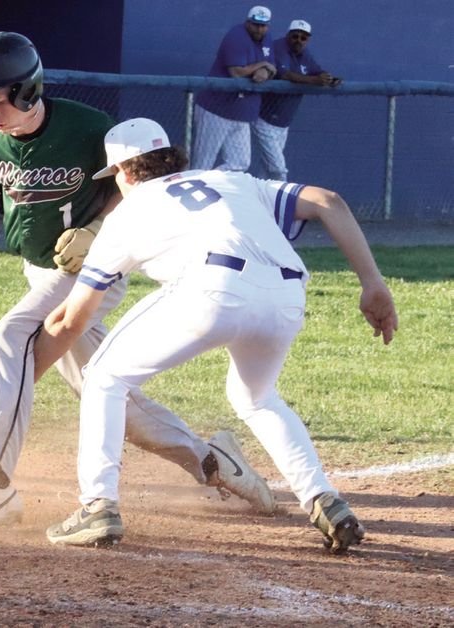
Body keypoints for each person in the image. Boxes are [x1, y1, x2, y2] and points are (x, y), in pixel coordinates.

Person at [0, 32, 273, 530]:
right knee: (107, 392)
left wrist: (96, 229)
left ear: (28, 90)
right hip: (40, 270)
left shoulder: (88, 128)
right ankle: (212, 460)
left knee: (13, 334)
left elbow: (140, 184)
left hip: (92, 270)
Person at [39, 118, 396, 553]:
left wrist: (16, 380)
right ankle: (324, 500)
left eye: (115, 176)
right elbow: (328, 201)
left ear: (126, 171)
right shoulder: (230, 179)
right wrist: (372, 283)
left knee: (104, 378)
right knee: (257, 398)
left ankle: (98, 506)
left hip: (211, 286)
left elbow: (72, 321)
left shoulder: (126, 213)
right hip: (287, 295)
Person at [253, 20, 341, 181]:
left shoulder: (304, 54)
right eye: (295, 36)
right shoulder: (278, 47)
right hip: (263, 120)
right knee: (278, 170)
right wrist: (315, 81)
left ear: (308, 40)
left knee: (268, 171)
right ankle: (285, 202)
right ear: (288, 35)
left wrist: (328, 78)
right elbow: (285, 75)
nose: (299, 40)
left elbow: (317, 71)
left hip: (283, 125)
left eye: (303, 38)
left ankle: (262, 203)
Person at [192, 5, 276, 173]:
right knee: (202, 164)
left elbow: (272, 67)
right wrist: (262, 64)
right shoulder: (236, 36)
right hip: (215, 110)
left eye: (263, 25)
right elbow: (236, 72)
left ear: (268, 26)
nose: (259, 29)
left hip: (242, 113)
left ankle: (208, 184)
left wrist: (265, 70)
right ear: (247, 23)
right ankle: (192, 188)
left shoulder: (267, 39)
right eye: (255, 24)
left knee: (240, 164)